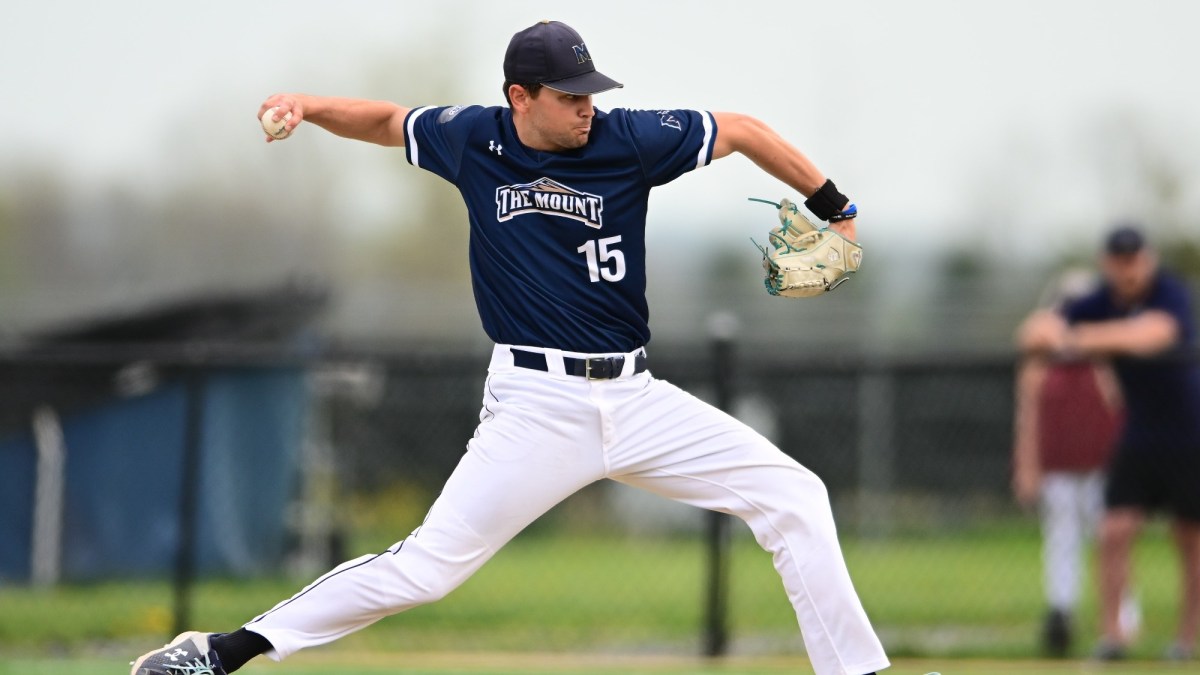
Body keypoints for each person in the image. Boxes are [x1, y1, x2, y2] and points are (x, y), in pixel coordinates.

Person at [130, 20, 890, 675]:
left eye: (591, 89)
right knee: (426, 569)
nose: (587, 106)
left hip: (637, 396)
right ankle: (222, 652)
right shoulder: (473, 138)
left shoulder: (631, 138)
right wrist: (309, 105)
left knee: (795, 497)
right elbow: (388, 120)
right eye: (568, 94)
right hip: (536, 406)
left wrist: (838, 209)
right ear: (520, 97)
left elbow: (746, 130)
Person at [1020, 225, 1200, 662]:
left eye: (1134, 259)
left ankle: (1186, 640)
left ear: (1148, 259)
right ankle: (1113, 636)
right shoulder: (1096, 301)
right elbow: (1034, 334)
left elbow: (1154, 334)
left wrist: (1079, 339)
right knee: (1113, 531)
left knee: (1189, 537)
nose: (1128, 269)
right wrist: (1062, 331)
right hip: (1139, 431)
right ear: (1107, 263)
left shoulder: (1168, 291)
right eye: (1119, 260)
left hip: (1188, 430)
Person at [1013, 270, 1128, 657]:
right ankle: (1062, 611)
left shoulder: (1106, 340)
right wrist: (1026, 465)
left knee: (1109, 538)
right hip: (1058, 461)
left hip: (1103, 459)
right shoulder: (1044, 350)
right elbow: (1031, 336)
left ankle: (1121, 620)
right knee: (1062, 538)